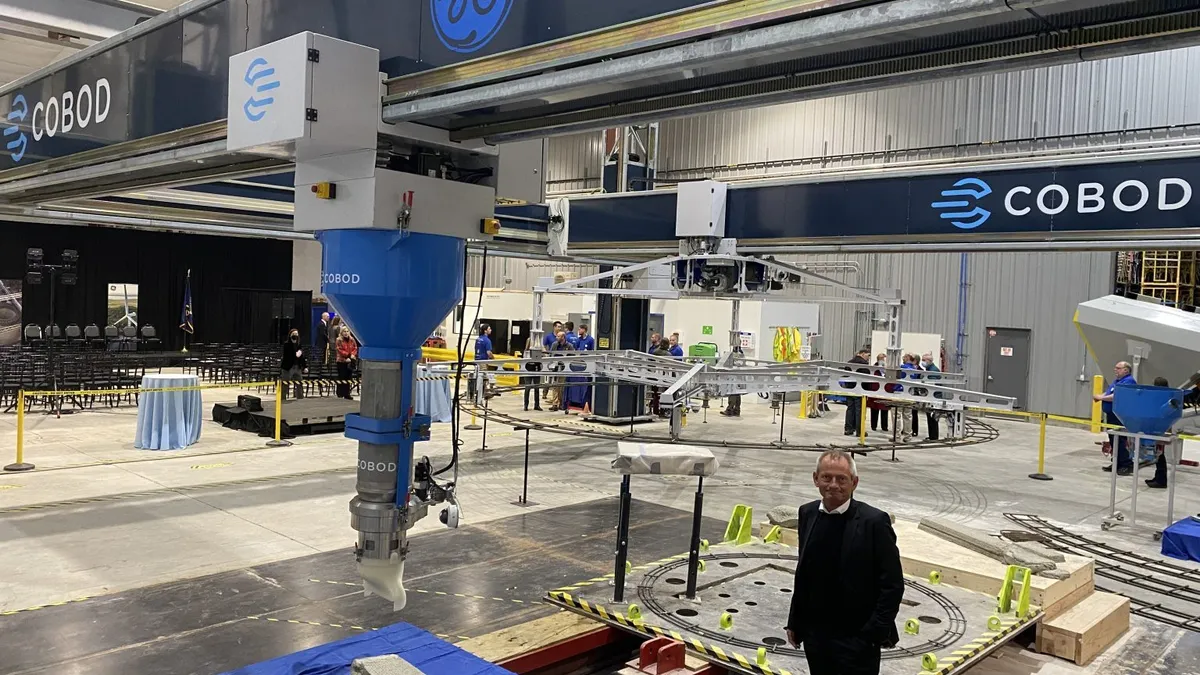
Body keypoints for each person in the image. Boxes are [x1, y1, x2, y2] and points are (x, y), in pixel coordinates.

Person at [786, 450, 903, 675]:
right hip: (816, 636)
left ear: (854, 483)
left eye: (842, 479)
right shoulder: (807, 513)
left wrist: (872, 634)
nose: (833, 485)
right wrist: (795, 622)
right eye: (827, 477)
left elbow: (893, 585)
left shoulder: (875, 522)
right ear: (815, 479)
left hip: (856, 640)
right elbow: (804, 574)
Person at [1095, 361, 1136, 475]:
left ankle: (1127, 464)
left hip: (1119, 416)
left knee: (1120, 440)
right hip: (1112, 415)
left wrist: (1101, 398)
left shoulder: (1128, 382)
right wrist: (1100, 396)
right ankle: (1118, 462)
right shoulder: (1117, 381)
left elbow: (1117, 396)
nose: (1115, 370)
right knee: (1114, 440)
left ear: (1126, 370)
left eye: (1118, 368)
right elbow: (1109, 392)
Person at [845, 348, 870, 436]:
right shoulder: (864, 364)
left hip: (850, 389)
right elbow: (867, 378)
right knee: (859, 410)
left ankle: (848, 429)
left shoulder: (849, 362)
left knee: (850, 409)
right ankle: (859, 431)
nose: (868, 358)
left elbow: (845, 375)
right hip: (860, 389)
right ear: (862, 354)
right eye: (867, 355)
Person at [547, 330, 572, 411]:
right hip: (555, 368)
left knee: (561, 386)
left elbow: (573, 356)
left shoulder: (569, 346)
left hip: (564, 368)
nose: (556, 337)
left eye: (558, 336)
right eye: (556, 336)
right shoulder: (554, 345)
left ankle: (561, 403)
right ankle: (555, 404)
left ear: (563, 337)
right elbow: (551, 354)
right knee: (554, 386)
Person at [280, 328, 308, 401]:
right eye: (293, 334)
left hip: (297, 367)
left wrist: (305, 366)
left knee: (300, 383)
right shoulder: (287, 344)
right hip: (288, 367)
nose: (295, 335)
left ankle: (300, 398)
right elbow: (287, 356)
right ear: (290, 335)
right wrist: (296, 354)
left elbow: (302, 357)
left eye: (296, 334)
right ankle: (282, 399)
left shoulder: (299, 344)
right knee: (285, 384)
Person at [471, 323, 494, 400]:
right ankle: (483, 394)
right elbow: (488, 352)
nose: (491, 330)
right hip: (483, 361)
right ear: (485, 331)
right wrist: (493, 358)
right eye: (489, 329)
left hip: (476, 360)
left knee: (478, 377)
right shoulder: (487, 340)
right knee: (484, 378)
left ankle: (477, 392)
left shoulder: (478, 339)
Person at [650, 338, 673, 415]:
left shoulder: (654, 352)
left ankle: (655, 410)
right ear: (667, 345)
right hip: (665, 377)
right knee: (664, 394)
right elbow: (670, 366)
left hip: (655, 376)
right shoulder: (668, 354)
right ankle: (663, 410)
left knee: (655, 395)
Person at [335, 325, 358, 400]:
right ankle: (340, 393)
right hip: (341, 361)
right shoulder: (339, 340)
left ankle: (347, 393)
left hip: (350, 360)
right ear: (342, 332)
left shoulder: (352, 339)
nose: (346, 333)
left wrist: (352, 355)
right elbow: (339, 350)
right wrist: (348, 356)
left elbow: (355, 348)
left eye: (347, 331)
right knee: (342, 377)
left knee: (348, 377)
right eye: (344, 331)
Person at [921, 353, 940, 441]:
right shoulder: (930, 369)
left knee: (932, 417)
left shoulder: (933, 371)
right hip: (931, 396)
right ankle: (932, 435)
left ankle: (934, 436)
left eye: (924, 360)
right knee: (930, 417)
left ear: (929, 361)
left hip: (934, 397)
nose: (922, 362)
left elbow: (931, 384)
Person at [522, 335, 543, 412]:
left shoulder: (538, 351)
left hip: (536, 369)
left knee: (537, 388)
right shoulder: (526, 352)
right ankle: (525, 405)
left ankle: (537, 405)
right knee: (527, 387)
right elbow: (525, 360)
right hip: (528, 370)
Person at [868, 353, 889, 432]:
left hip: (885, 391)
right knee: (874, 410)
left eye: (884, 359)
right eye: (882, 359)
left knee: (884, 410)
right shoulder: (874, 368)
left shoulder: (888, 368)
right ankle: (873, 426)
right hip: (875, 391)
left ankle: (884, 426)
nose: (883, 360)